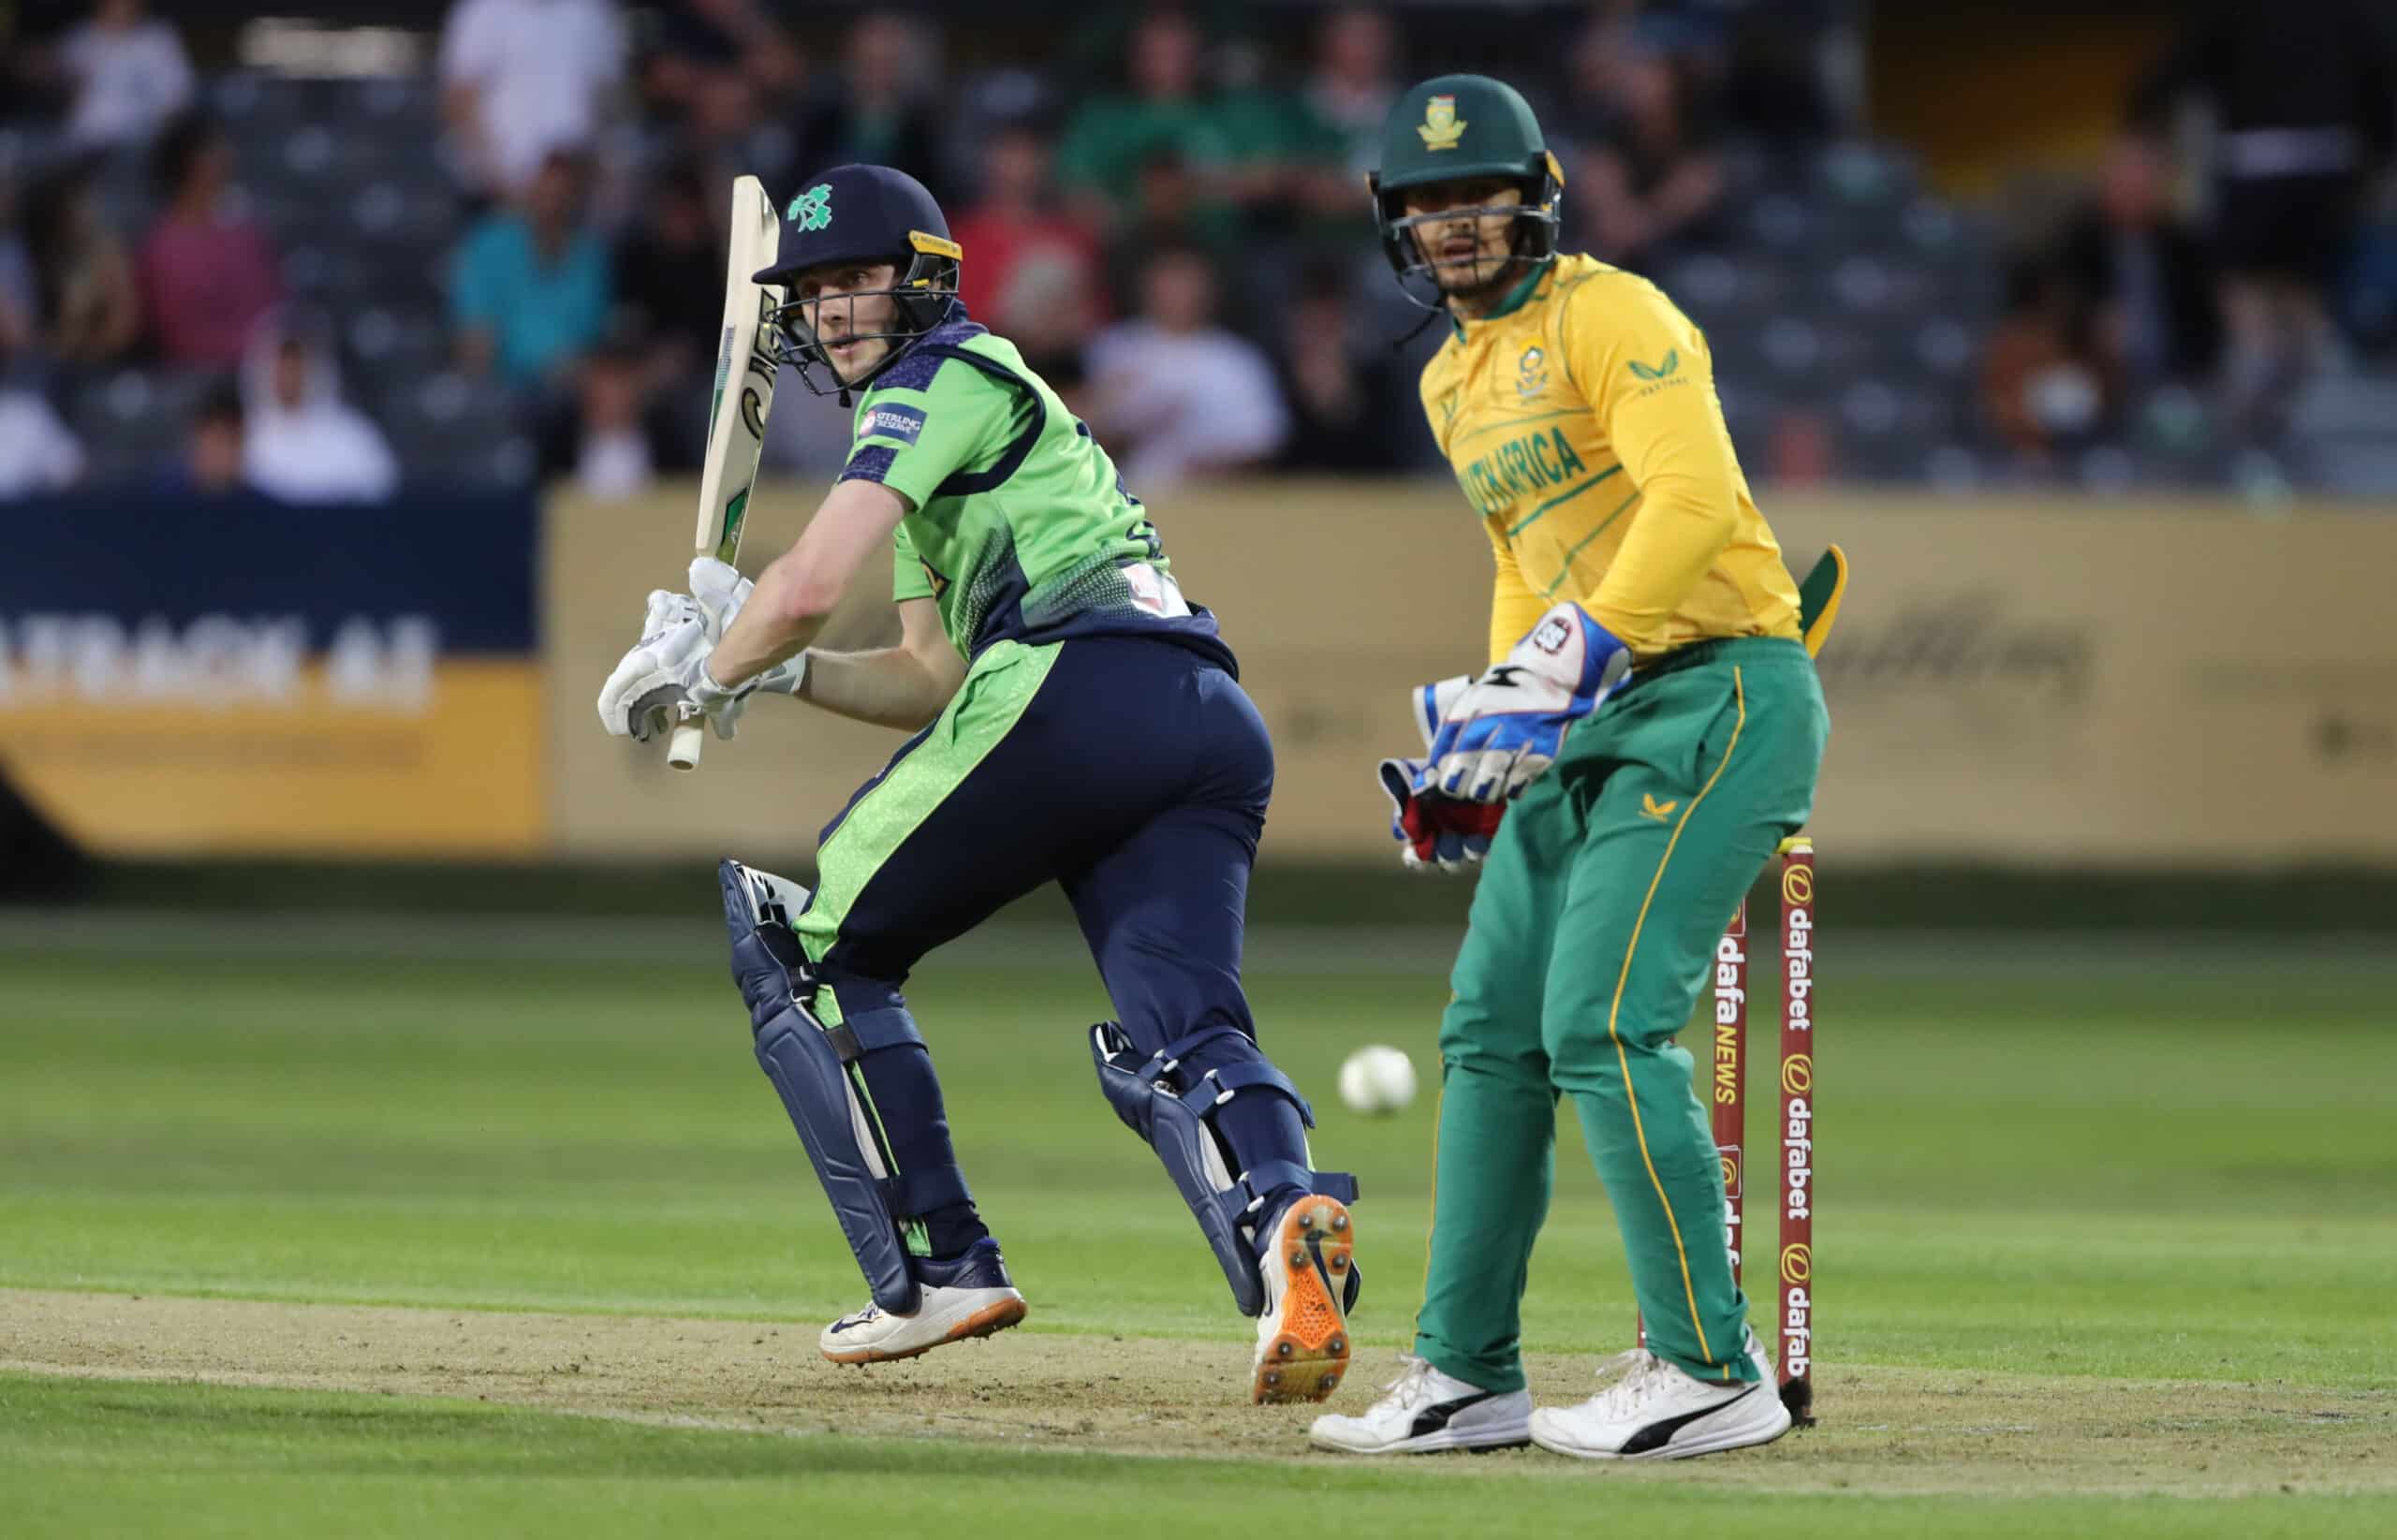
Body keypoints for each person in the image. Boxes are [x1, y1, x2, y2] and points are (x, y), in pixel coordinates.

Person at [593, 164, 1360, 1403]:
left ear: (923, 284)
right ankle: (1288, 1234)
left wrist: (706, 658)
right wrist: (762, 680)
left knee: (806, 943)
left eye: (861, 281)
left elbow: (800, 589)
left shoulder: (939, 376)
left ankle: (936, 1269)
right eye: (819, 291)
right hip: (1201, 718)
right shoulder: (975, 421)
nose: (840, 310)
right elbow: (926, 675)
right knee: (1188, 1033)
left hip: (1075, 687)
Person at [1308, 74, 1827, 1462]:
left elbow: (1698, 500)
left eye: (1475, 193)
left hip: (1718, 688)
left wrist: (1579, 648)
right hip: (1588, 714)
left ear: (1533, 193)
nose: (1453, 223)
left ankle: (1711, 1370)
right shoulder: (1445, 376)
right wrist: (1488, 734)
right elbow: (1521, 561)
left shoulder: (1616, 314)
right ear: (1394, 226)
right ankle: (1469, 1374)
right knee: (1489, 1029)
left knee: (1603, 1021)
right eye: (1424, 203)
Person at [1081, 244, 1287, 488]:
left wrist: (1207, 464)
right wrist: (1128, 427)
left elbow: (1264, 442)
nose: (1178, 295)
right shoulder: (1114, 349)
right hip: (1125, 499)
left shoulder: (1237, 360)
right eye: (1168, 283)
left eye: (1187, 284)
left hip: (1215, 501)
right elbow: (1073, 429)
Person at [450, 148, 613, 389]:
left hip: (572, 390)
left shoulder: (590, 255)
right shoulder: (490, 243)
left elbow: (593, 334)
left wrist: (576, 369)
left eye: (562, 195)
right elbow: (474, 331)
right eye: (545, 192)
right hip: (503, 387)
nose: (552, 203)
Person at [137, 111, 282, 369]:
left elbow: (269, 307)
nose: (227, 157)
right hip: (203, 379)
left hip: (262, 370)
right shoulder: (165, 247)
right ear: (191, 164)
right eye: (214, 150)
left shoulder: (244, 232)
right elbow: (182, 335)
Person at [240, 313, 400, 504]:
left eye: (296, 366)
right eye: (282, 366)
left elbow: (382, 493)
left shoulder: (353, 436)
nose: (289, 376)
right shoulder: (241, 437)